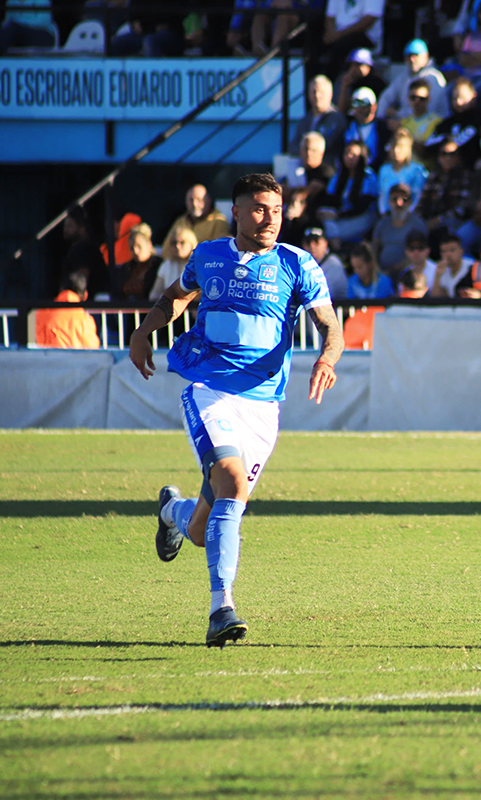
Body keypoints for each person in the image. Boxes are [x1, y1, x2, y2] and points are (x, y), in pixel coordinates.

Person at [129, 173, 344, 647]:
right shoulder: (208, 256)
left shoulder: (298, 264)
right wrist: (145, 331)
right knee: (231, 481)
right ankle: (220, 608)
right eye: (260, 209)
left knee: (207, 529)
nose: (270, 219)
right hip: (210, 389)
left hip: (264, 406)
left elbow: (331, 325)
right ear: (238, 213)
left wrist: (328, 358)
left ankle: (173, 512)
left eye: (277, 210)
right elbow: (177, 297)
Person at [289, 76, 348, 165]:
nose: (317, 96)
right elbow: (292, 147)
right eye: (314, 92)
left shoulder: (336, 119)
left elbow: (323, 146)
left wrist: (304, 149)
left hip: (328, 168)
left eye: (322, 92)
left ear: (330, 94)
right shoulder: (305, 119)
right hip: (305, 167)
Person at [372, 184, 428, 276]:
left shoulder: (418, 225)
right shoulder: (382, 224)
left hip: (409, 273)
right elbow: (374, 248)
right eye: (395, 199)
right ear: (389, 201)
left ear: (410, 202)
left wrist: (394, 270)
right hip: (382, 274)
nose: (399, 203)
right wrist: (377, 269)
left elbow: (419, 253)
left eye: (404, 199)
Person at [36, 270, 101, 350]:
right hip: (76, 360)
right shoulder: (86, 320)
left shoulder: (42, 313)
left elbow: (40, 341)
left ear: (61, 290)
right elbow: (92, 346)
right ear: (85, 295)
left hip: (50, 360)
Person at [112, 223, 162, 303]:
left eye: (139, 246)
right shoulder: (126, 268)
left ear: (149, 245)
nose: (135, 251)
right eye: (132, 248)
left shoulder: (159, 265)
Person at [150, 227, 198, 302]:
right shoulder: (166, 264)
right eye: (174, 243)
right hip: (169, 310)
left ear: (191, 244)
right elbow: (154, 294)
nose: (177, 246)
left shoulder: (199, 265)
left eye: (182, 242)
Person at [301, 226, 349, 300]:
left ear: (325, 243)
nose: (312, 246)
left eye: (316, 242)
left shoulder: (333, 263)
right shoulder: (303, 263)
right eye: (308, 243)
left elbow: (323, 294)